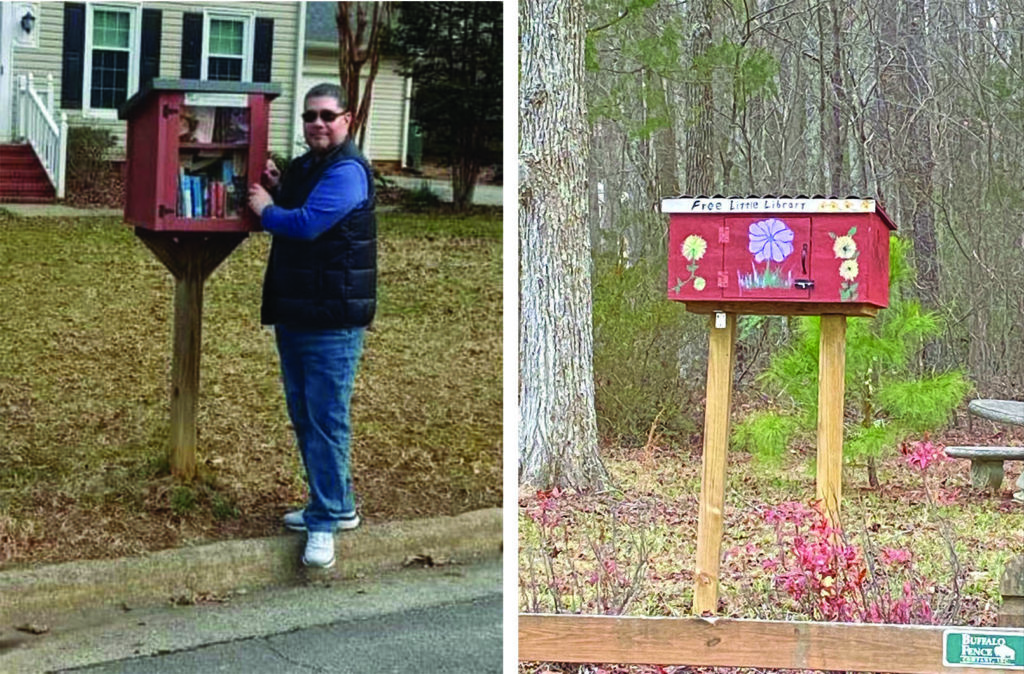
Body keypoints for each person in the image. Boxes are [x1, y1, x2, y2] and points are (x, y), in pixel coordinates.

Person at [248, 83, 376, 568]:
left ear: (347, 119)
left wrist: (266, 209)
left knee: (325, 419)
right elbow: (299, 199)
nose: (317, 124)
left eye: (327, 115)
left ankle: (323, 524)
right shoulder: (311, 166)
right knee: (307, 415)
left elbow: (304, 224)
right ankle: (336, 505)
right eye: (309, 117)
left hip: (332, 320)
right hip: (298, 313)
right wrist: (278, 186)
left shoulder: (348, 171)